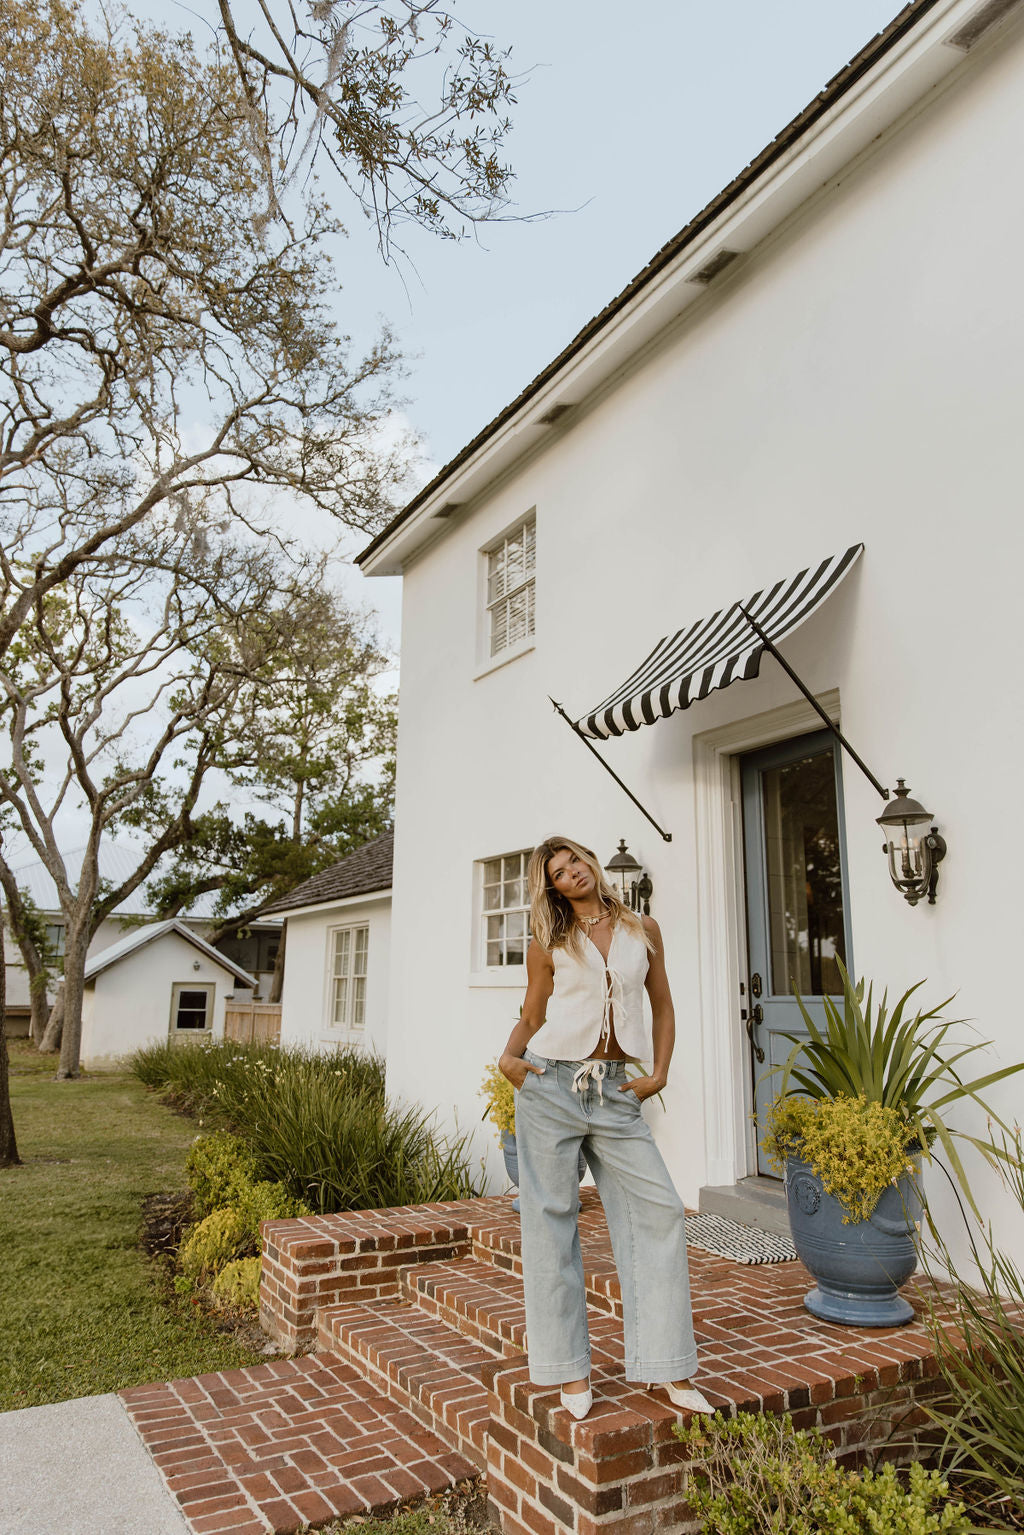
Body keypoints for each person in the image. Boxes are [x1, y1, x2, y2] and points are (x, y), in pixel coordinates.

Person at [499, 835, 713, 1421]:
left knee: (659, 1211)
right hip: (551, 1088)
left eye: (576, 863)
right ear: (553, 889)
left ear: (591, 863)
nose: (573, 875)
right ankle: (568, 1368)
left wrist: (660, 1072)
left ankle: (666, 1363)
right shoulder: (548, 940)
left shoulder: (644, 930)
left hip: (617, 1092)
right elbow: (534, 1012)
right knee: (550, 1224)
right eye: (560, 874)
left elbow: (662, 1003)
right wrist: (509, 1058)